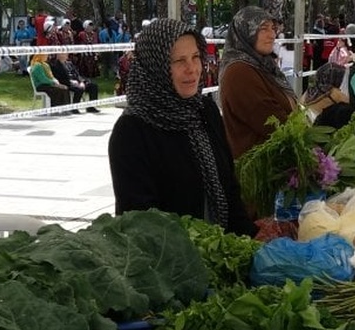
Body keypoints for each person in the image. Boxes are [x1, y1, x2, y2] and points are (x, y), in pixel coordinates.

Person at [108, 19, 253, 236]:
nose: (192, 69)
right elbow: (141, 220)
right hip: (169, 262)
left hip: (223, 252)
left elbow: (229, 188)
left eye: (196, 57)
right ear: (156, 66)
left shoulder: (205, 110)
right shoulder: (131, 131)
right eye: (179, 61)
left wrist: (249, 243)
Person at [218, 6, 299, 159]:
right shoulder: (239, 72)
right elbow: (272, 123)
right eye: (263, 29)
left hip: (277, 161)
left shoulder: (262, 65)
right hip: (259, 170)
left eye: (273, 28)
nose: (272, 35)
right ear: (245, 31)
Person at [302, 62, 352, 128]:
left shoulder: (308, 94)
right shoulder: (334, 93)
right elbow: (352, 106)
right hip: (330, 128)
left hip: (311, 126)